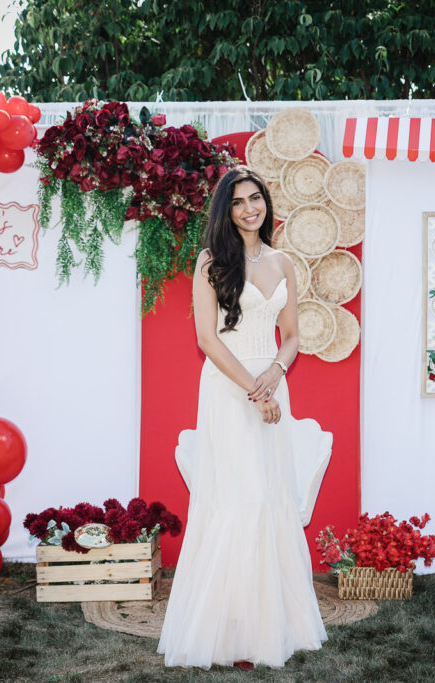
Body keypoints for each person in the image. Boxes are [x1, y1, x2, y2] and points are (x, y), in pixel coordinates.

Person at [157, 166, 332, 670]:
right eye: (238, 202)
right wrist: (256, 391)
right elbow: (207, 341)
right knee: (238, 498)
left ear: (266, 204)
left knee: (270, 498)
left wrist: (275, 374)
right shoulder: (211, 261)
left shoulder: (283, 261)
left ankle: (268, 627)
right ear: (225, 211)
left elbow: (294, 336)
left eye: (256, 199)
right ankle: (228, 633)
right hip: (230, 388)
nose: (249, 208)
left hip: (273, 383)